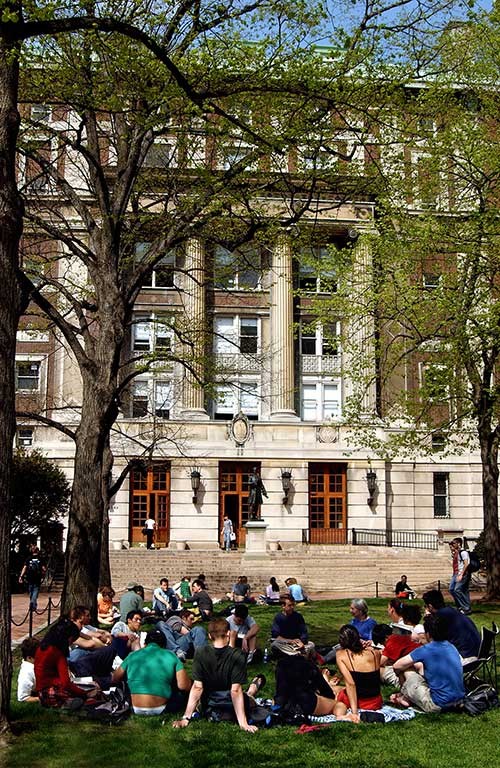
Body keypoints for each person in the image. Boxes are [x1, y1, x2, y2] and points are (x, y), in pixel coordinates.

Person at [172, 617, 259, 732]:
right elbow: (235, 690)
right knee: (252, 695)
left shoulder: (200, 653)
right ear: (228, 633)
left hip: (209, 704)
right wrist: (243, 723)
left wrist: (186, 717)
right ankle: (253, 689)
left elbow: (197, 687)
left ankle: (252, 689)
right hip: (229, 704)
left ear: (209, 636)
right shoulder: (238, 655)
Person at [392, 613, 465, 712]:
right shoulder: (451, 647)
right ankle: (406, 696)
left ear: (428, 634)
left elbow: (397, 665)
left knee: (406, 669)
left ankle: (404, 697)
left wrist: (398, 673)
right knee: (417, 668)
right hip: (459, 699)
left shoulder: (427, 649)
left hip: (438, 704)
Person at [112, 629, 191, 715]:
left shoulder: (132, 656)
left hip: (134, 707)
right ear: (164, 645)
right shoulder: (171, 656)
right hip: (162, 708)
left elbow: (115, 678)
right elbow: (184, 686)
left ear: (145, 644)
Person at [35, 618, 99, 708]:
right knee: (90, 693)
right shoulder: (57, 653)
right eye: (71, 640)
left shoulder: (42, 648)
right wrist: (85, 693)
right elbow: (66, 684)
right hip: (52, 692)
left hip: (42, 691)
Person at [333, 625, 383, 722]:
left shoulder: (341, 655)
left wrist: (354, 712)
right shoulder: (375, 653)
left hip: (359, 702)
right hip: (376, 701)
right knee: (341, 688)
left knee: (334, 690)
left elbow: (351, 684)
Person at [274, 647, 339, 717]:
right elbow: (324, 689)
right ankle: (341, 717)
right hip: (305, 703)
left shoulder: (281, 664)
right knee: (337, 704)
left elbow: (280, 689)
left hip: (282, 704)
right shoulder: (309, 665)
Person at [422, 589, 480, 662]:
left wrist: (427, 619)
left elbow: (432, 641)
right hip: (477, 652)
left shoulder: (439, 617)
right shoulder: (451, 611)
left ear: (430, 606)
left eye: (425, 606)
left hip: (464, 657)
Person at [19, 544, 46, 610]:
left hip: (30, 577)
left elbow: (24, 568)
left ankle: (32, 603)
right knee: (35, 591)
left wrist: (21, 576)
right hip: (37, 577)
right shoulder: (40, 558)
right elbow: (44, 569)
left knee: (31, 591)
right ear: (38, 551)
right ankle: (33, 603)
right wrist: (43, 573)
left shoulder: (28, 558)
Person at [449, 537, 472, 614]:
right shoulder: (457, 553)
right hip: (456, 573)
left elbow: (466, 564)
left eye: (454, 543)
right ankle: (460, 606)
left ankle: (466, 608)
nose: (452, 545)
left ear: (459, 544)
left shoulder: (463, 552)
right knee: (452, 589)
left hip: (463, 573)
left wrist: (461, 574)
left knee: (457, 590)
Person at [17, 637, 40, 703]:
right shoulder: (26, 673)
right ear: (29, 658)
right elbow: (22, 697)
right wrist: (41, 699)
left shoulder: (36, 664)